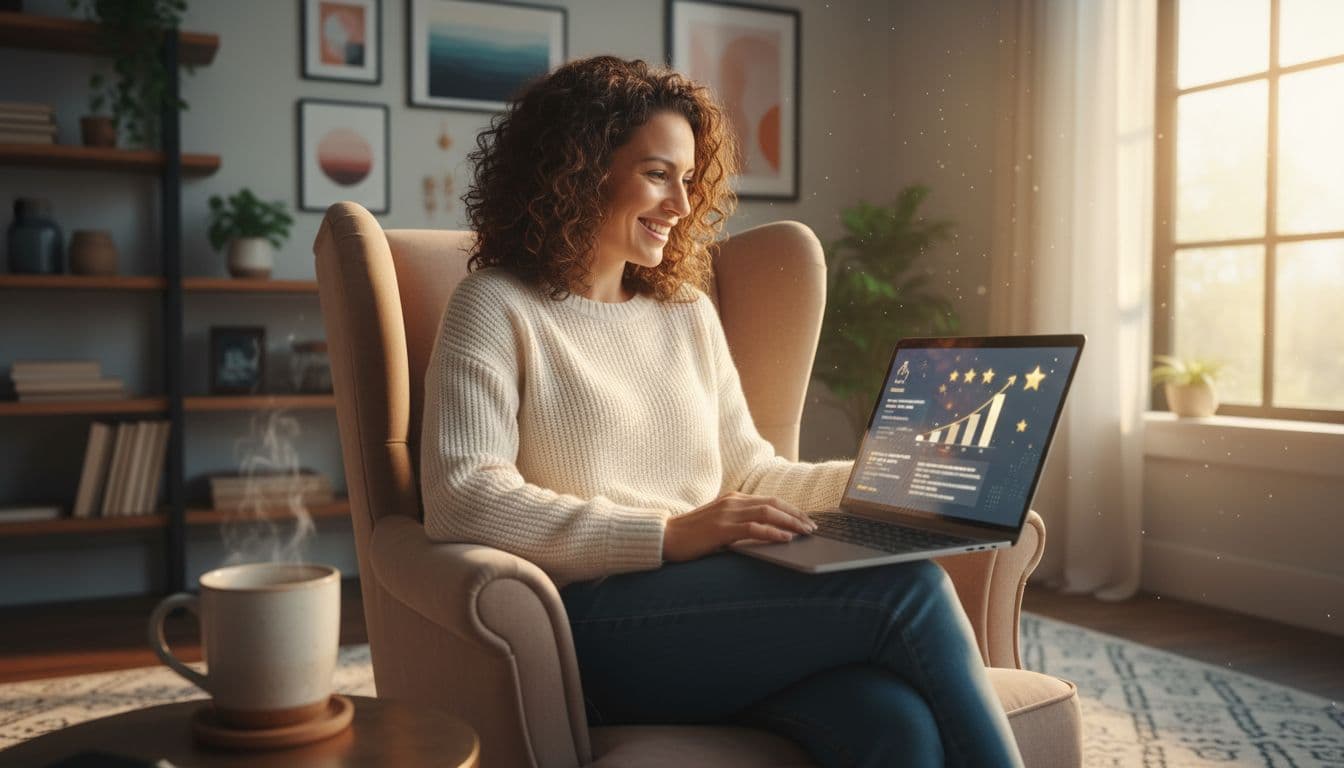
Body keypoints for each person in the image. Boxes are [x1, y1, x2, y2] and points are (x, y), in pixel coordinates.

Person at [420, 55, 1024, 768]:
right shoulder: (495, 305)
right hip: (590, 621)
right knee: (907, 588)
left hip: (717, 617)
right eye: (656, 173)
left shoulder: (685, 313)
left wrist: (891, 475)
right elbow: (463, 498)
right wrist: (667, 536)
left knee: (894, 726)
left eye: (687, 178)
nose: (680, 202)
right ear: (578, 171)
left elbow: (748, 472)